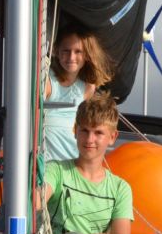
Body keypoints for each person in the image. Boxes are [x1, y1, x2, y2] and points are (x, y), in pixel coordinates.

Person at [41, 93, 136, 234]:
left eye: (98, 132)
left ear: (112, 137)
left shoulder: (120, 188)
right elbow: (38, 201)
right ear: (75, 131)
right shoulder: (56, 171)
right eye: (84, 130)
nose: (90, 139)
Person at [43, 28, 113, 163]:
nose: (71, 57)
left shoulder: (88, 87)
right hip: (47, 158)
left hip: (73, 154)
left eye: (78, 51)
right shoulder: (47, 81)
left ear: (87, 54)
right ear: (56, 51)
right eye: (66, 51)